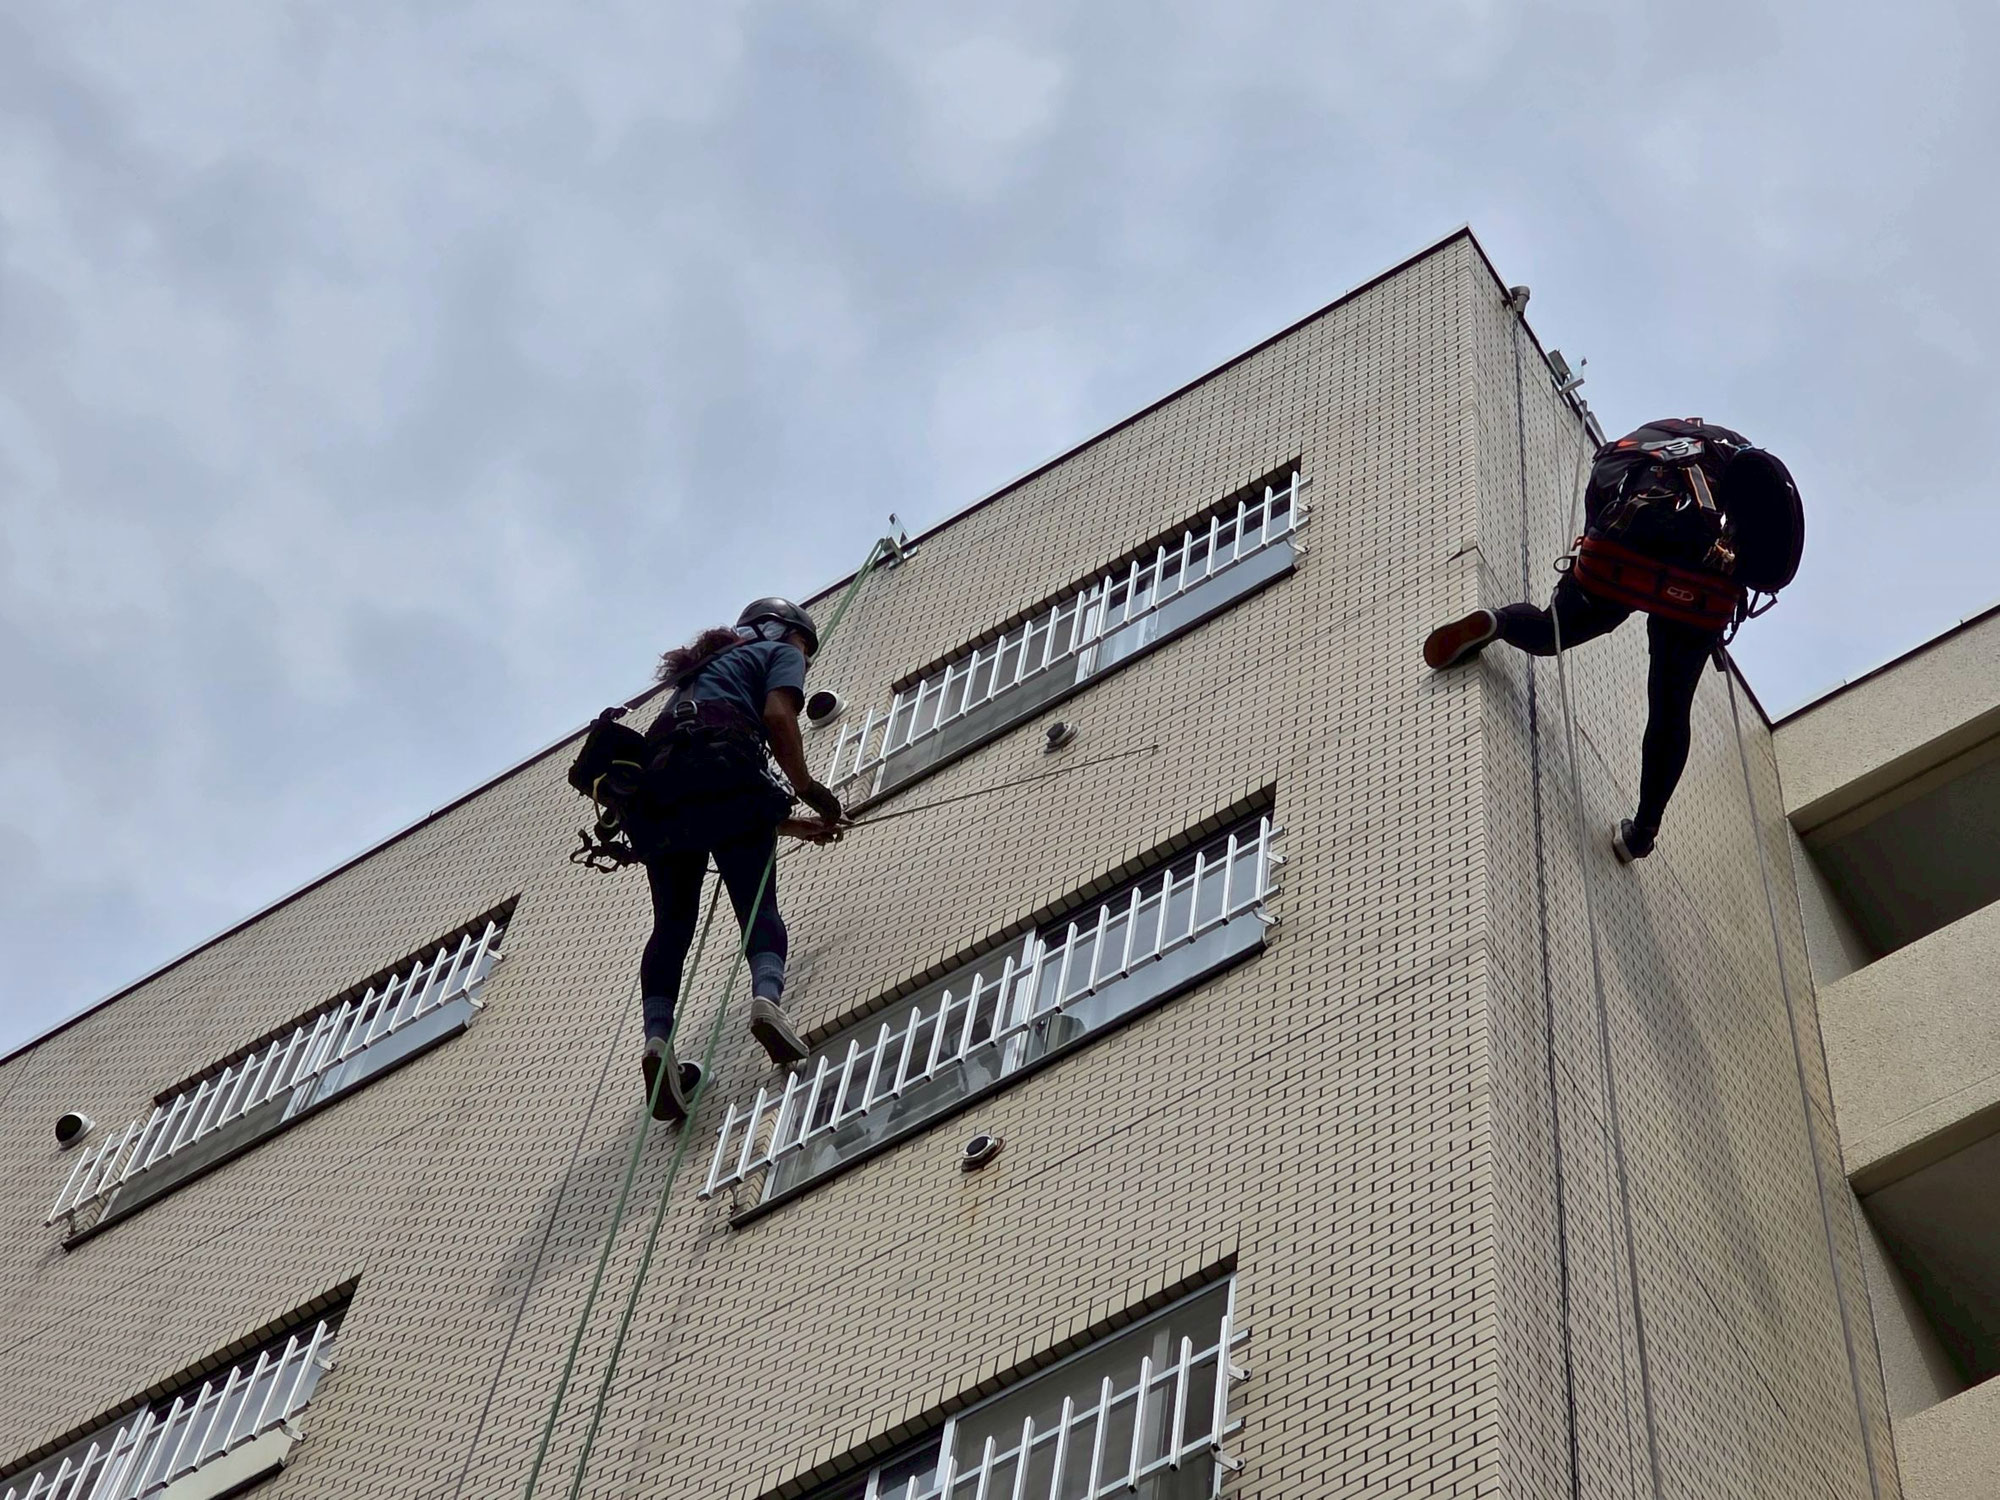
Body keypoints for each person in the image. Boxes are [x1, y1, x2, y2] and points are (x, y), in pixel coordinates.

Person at [1422, 417, 1798, 864]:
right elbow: (1760, 559)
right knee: (1669, 707)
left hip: (1622, 555)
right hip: (1698, 593)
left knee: (1550, 630)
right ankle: (1643, 831)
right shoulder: (1749, 473)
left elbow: (1602, 501)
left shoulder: (1664, 446)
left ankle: (1498, 622)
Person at [630, 598, 846, 1122]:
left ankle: (657, 1040)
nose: (805, 660)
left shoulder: (698, 674)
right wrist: (806, 787)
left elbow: (702, 773)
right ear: (788, 632)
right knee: (757, 905)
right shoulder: (779, 650)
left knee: (672, 926)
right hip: (729, 780)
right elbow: (776, 716)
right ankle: (766, 1002)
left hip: (658, 796)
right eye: (806, 649)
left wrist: (790, 824)